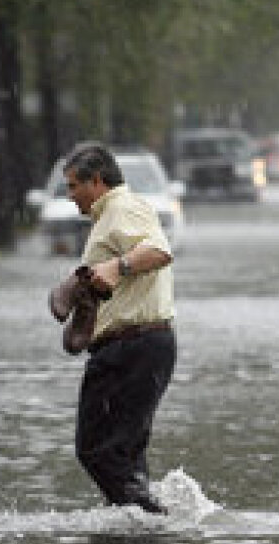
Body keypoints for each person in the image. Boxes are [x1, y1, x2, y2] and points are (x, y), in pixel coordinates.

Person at [63, 143, 176, 513]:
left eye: (73, 186)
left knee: (99, 450)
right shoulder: (109, 216)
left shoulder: (123, 207)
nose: (70, 196)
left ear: (96, 181)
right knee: (121, 452)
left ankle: (151, 522)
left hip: (133, 347)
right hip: (132, 346)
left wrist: (116, 268)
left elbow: (159, 251)